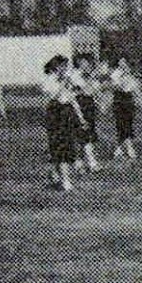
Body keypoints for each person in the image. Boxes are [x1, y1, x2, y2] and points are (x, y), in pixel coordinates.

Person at [41, 56, 86, 191]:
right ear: (56, 67)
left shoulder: (68, 80)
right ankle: (61, 177)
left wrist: (81, 117)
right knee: (57, 144)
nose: (65, 69)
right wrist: (62, 84)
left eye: (66, 66)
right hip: (55, 112)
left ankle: (62, 177)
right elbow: (52, 97)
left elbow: (72, 100)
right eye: (62, 66)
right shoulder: (48, 80)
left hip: (67, 112)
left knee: (67, 144)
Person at [70, 55, 105, 174]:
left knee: (88, 134)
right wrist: (90, 81)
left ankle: (89, 162)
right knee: (80, 134)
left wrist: (100, 103)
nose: (86, 65)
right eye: (83, 63)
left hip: (89, 105)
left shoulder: (91, 76)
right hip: (78, 105)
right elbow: (81, 89)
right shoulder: (74, 75)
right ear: (79, 63)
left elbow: (95, 90)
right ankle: (83, 162)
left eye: (88, 63)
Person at [108, 57, 141, 162]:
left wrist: (137, 99)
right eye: (121, 63)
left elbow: (135, 88)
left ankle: (122, 148)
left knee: (128, 123)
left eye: (125, 63)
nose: (123, 65)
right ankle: (126, 147)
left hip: (128, 100)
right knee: (120, 123)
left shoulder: (132, 75)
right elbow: (116, 86)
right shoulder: (115, 74)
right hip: (119, 99)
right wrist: (122, 78)